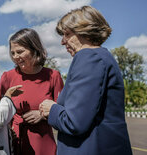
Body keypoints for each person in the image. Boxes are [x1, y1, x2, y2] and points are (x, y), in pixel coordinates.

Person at [39, 6, 132, 155]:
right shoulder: (102, 56)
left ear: (85, 32)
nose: (63, 42)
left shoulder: (88, 57)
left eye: (67, 34)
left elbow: (74, 122)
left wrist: (52, 109)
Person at [0, 28, 64, 155]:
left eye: (20, 52)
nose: (16, 57)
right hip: (16, 143)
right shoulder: (7, 77)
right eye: (12, 53)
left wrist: (42, 115)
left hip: (43, 144)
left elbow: (62, 111)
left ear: (34, 49)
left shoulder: (53, 76)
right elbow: (0, 112)